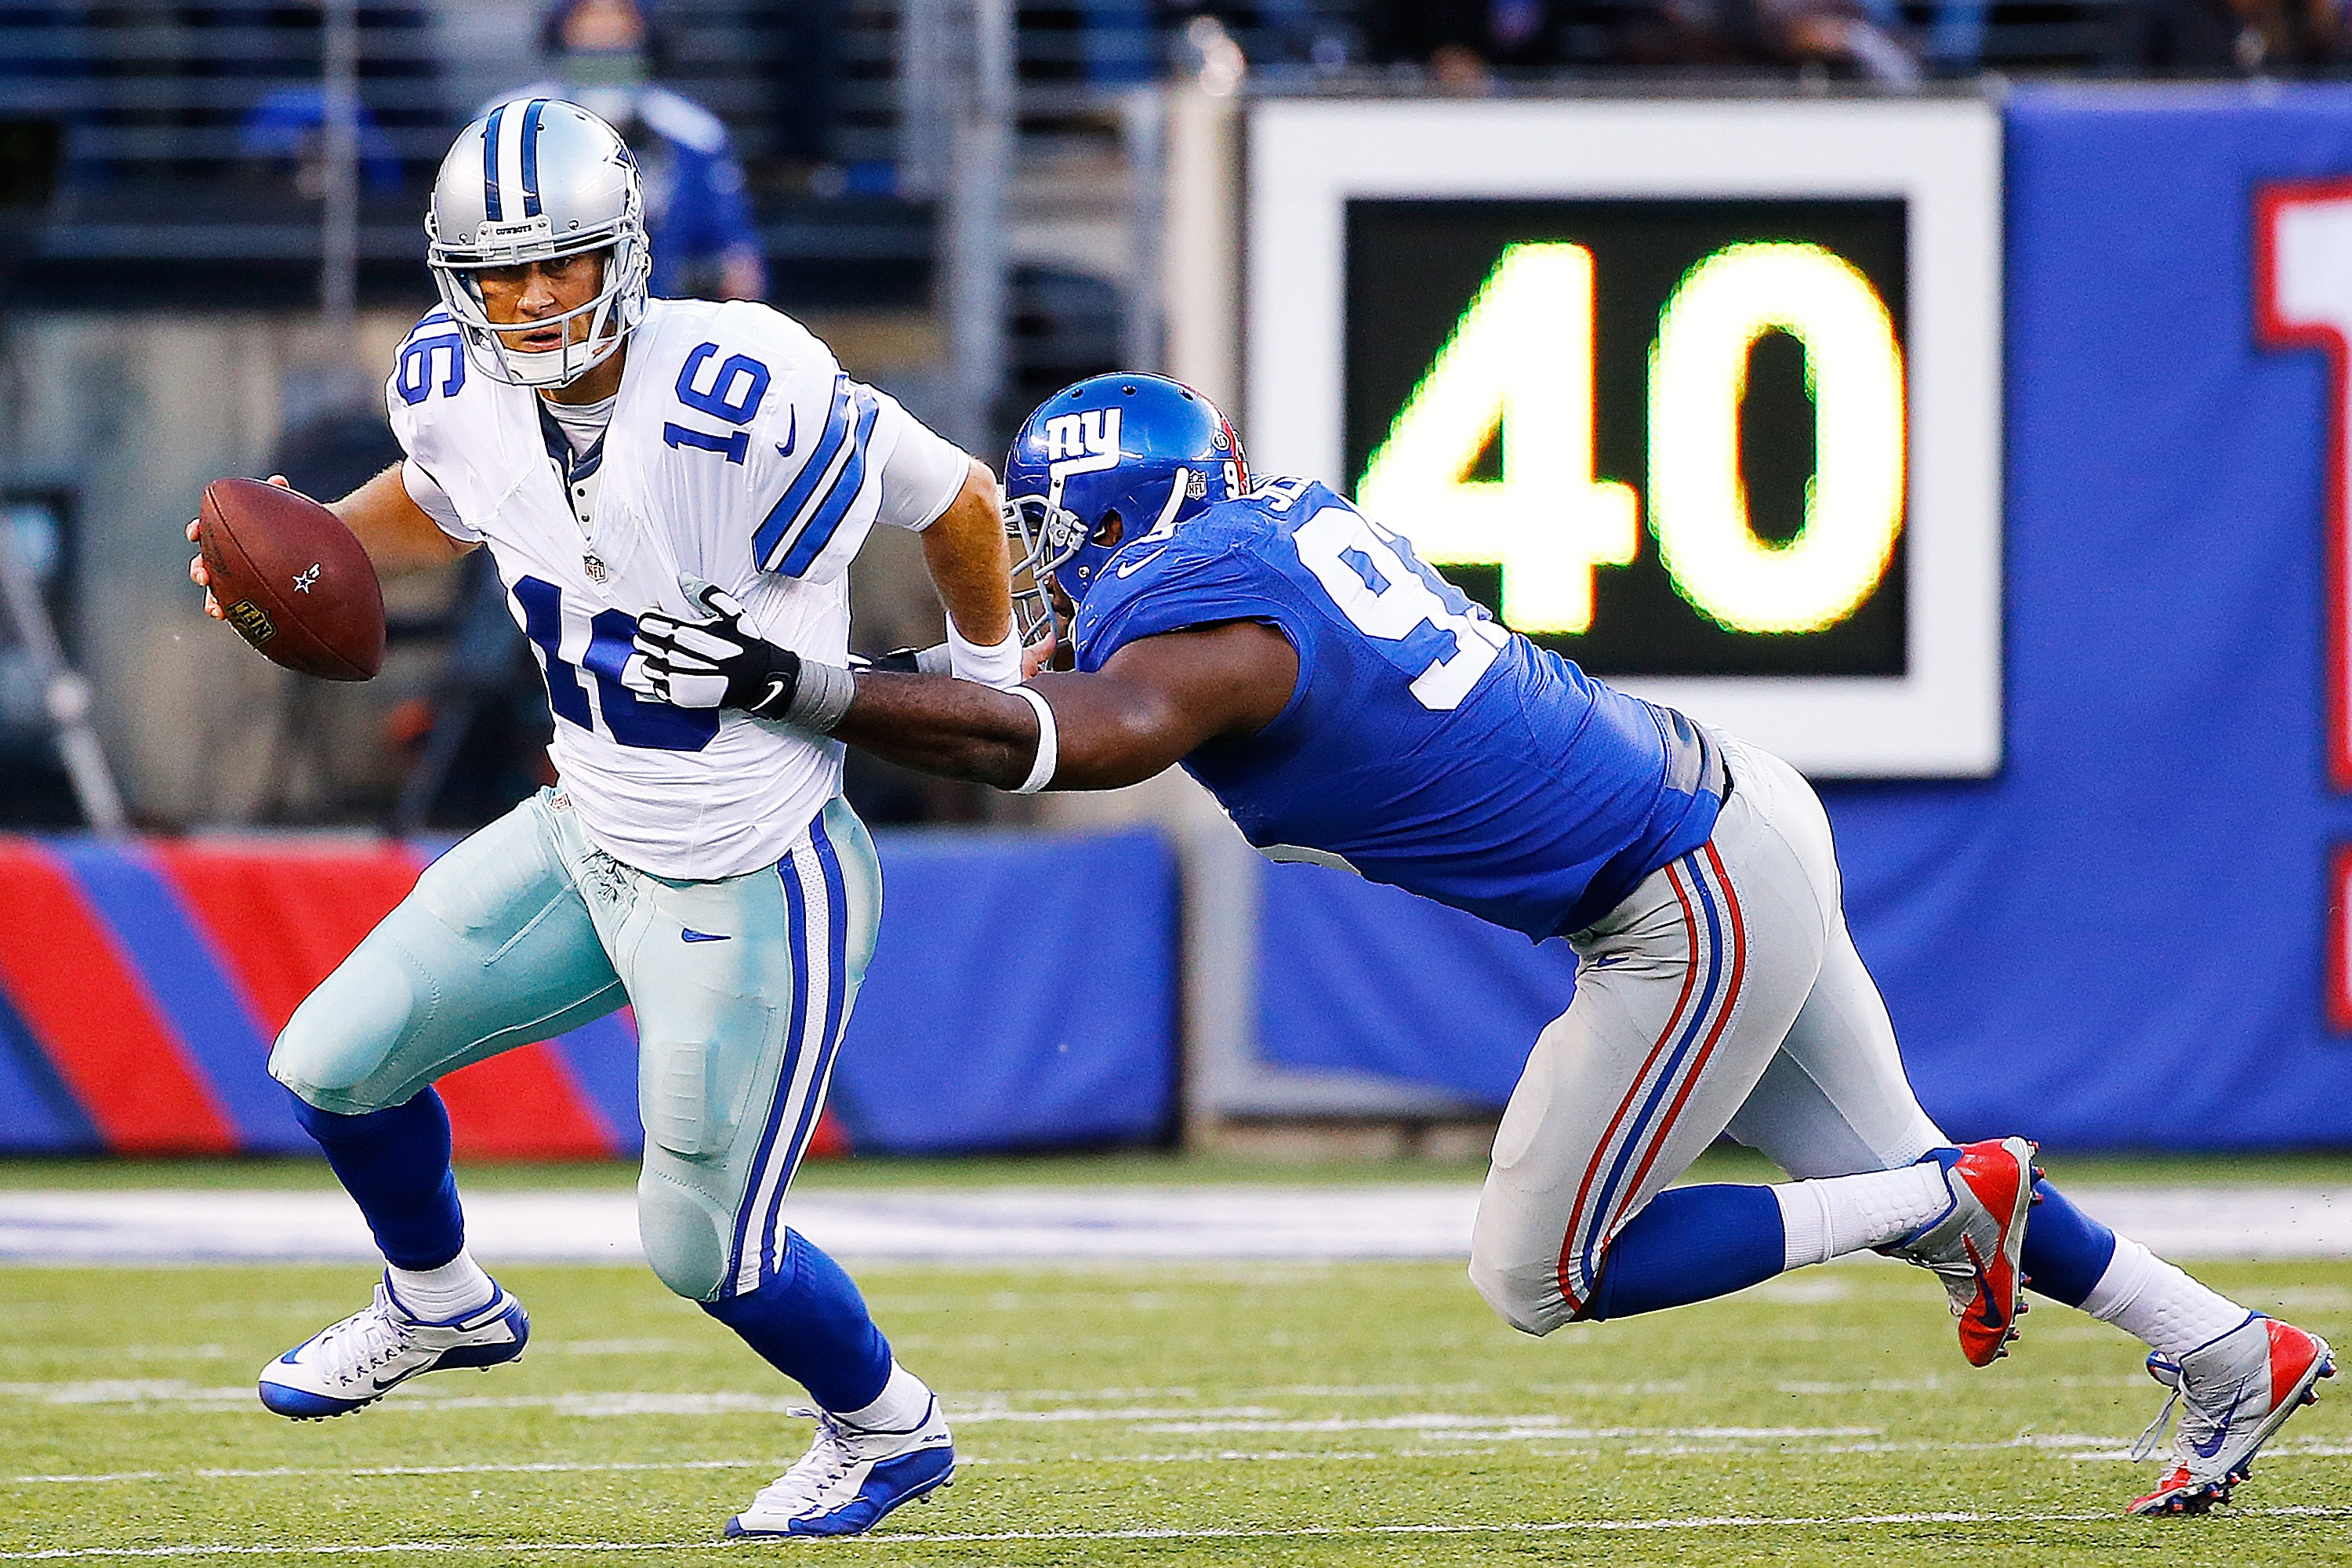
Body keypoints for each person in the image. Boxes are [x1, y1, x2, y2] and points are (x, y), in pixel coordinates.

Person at [625, 372, 2336, 1520]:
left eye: (1068, 548)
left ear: (1132, 524)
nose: (1050, 579)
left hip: (1678, 892)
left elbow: (1101, 733)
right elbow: (1052, 698)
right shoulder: (1256, 525)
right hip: (1728, 810)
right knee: (1882, 1159)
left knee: (1545, 1270)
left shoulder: (1202, 617)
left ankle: (1955, 1199)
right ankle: (2221, 1346)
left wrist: (811, 687)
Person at [186, 100, 1021, 1539]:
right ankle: (440, 1302)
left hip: (757, 868)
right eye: (497, 274)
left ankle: (888, 1429)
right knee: (329, 1065)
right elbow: (444, 501)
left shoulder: (741, 389)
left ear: (625, 253)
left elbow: (955, 500)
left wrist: (989, 684)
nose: (527, 299)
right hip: (588, 827)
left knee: (705, 1249)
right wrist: (302, 548)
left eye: (559, 265)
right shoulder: (452, 383)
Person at [492, 0, 767, 301]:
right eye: (589, 13)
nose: (604, 27)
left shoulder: (692, 133)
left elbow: (739, 262)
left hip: (661, 315)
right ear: (562, 23)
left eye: (620, 12)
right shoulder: (507, 124)